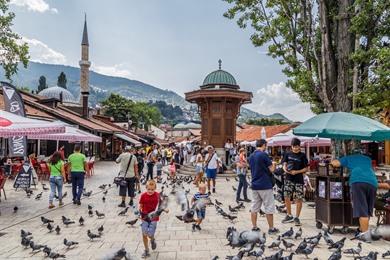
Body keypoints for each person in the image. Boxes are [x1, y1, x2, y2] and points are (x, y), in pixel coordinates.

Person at [331, 149, 379, 234]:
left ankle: (365, 236)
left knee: (362, 211)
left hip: (358, 182)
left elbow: (335, 163)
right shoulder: (367, 159)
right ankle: (361, 229)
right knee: (367, 210)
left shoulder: (349, 158)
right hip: (373, 182)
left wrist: (333, 161)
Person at [248, 139, 279, 235]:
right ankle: (271, 228)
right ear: (264, 145)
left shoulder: (251, 156)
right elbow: (272, 170)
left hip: (255, 184)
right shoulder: (264, 155)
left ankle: (254, 227)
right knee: (269, 207)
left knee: (254, 207)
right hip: (265, 184)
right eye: (266, 145)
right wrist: (274, 164)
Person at [281, 138, 308, 226]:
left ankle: (297, 217)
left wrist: (297, 172)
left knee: (299, 198)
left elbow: (306, 168)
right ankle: (289, 215)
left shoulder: (303, 155)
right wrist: (285, 170)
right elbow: (284, 164)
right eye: (294, 147)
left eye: (297, 147)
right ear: (291, 146)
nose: (295, 148)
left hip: (299, 180)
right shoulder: (287, 154)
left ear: (299, 146)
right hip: (289, 178)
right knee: (286, 196)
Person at [139, 180, 168, 258]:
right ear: (146, 188)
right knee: (144, 234)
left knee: (150, 234)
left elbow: (162, 204)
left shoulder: (158, 195)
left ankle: (152, 239)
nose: (150, 191)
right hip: (145, 217)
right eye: (149, 189)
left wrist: (165, 209)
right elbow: (141, 205)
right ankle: (146, 250)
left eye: (152, 189)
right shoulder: (143, 195)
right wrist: (139, 213)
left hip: (154, 217)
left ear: (155, 188)